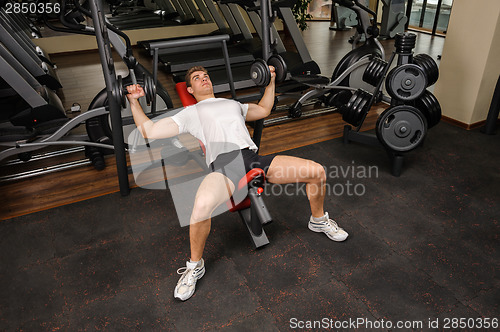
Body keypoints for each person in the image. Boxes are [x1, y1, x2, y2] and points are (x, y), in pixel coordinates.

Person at [126, 65, 348, 301]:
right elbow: (149, 130)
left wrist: (270, 81)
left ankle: (318, 220)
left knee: (317, 172)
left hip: (253, 159)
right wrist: (134, 101)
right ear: (190, 89)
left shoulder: (233, 104)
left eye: (206, 76)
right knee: (200, 208)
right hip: (223, 167)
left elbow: (263, 109)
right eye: (197, 78)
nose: (204, 79)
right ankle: (194, 266)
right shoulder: (189, 113)